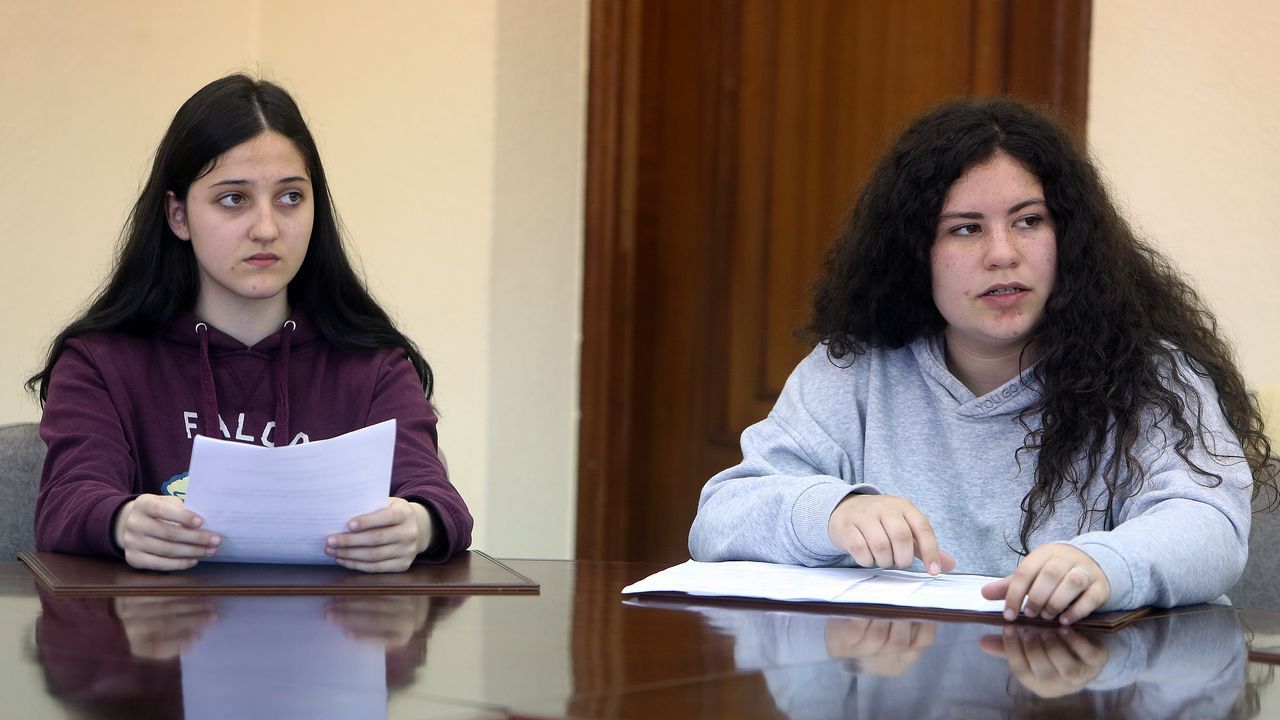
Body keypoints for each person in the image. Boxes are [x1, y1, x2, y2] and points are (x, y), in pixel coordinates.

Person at [688, 97, 1277, 624]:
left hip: (1097, 688)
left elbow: (1211, 528)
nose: (1004, 254)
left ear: (1067, 237)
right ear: (913, 254)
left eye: (1029, 221)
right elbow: (721, 516)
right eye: (966, 229)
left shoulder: (1150, 374)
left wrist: (1104, 564)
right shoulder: (853, 370)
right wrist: (833, 511)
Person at [28, 74, 472, 572]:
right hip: (154, 639)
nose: (267, 228)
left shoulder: (373, 364)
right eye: (233, 198)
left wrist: (418, 525)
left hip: (332, 637)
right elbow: (64, 505)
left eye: (290, 197)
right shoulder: (100, 361)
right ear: (178, 215)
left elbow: (441, 502)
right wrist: (121, 522)